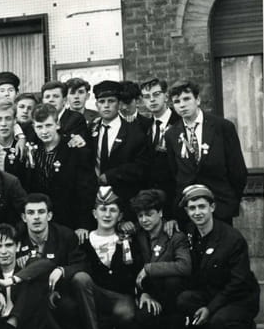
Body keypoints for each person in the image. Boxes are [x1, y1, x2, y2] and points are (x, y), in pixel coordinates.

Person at [173, 185, 260, 329]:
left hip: (238, 298)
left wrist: (209, 309)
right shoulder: (190, 231)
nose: (197, 212)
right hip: (211, 292)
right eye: (192, 208)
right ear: (186, 211)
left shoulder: (232, 239)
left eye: (202, 206)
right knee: (184, 299)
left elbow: (238, 283)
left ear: (212, 207)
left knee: (218, 323)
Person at [164, 80, 247, 225]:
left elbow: (238, 170)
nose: (182, 105)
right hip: (187, 210)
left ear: (197, 100)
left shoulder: (223, 127)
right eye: (177, 101)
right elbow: (173, 172)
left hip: (219, 206)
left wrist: (232, 201)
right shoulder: (171, 134)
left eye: (186, 99)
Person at [73, 186, 142, 329]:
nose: (107, 215)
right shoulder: (84, 240)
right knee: (80, 278)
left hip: (120, 297)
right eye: (103, 209)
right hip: (94, 294)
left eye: (113, 210)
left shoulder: (127, 239)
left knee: (125, 314)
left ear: (120, 216)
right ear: (94, 213)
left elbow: (136, 268)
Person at [17, 194, 82, 329]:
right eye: (31, 213)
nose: (36, 217)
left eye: (41, 212)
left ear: (50, 215)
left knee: (69, 306)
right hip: (28, 294)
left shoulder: (65, 235)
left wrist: (62, 270)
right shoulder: (16, 236)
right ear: (24, 217)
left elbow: (82, 264)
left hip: (60, 292)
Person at [129, 189, 191, 329]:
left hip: (173, 296)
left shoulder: (175, 236)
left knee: (172, 281)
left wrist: (149, 268)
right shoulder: (139, 234)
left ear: (160, 213)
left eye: (149, 214)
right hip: (150, 293)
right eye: (140, 216)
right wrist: (143, 294)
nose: (144, 220)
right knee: (141, 321)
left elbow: (185, 266)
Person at [24, 104, 96, 232]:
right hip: (39, 221)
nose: (44, 131)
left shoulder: (75, 149)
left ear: (57, 124)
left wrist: (83, 224)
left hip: (69, 220)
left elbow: (86, 190)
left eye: (48, 125)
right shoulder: (31, 148)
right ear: (33, 127)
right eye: (39, 127)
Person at [89, 80, 151, 218]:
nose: (106, 105)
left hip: (124, 199)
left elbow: (141, 167)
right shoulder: (91, 130)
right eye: (102, 101)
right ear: (96, 105)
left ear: (119, 104)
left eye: (111, 101)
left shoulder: (134, 132)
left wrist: (110, 176)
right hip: (96, 200)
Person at [140, 78, 181, 217]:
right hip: (154, 202)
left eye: (156, 94)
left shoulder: (180, 122)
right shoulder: (145, 126)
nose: (152, 99)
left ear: (166, 96)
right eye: (147, 96)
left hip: (177, 199)